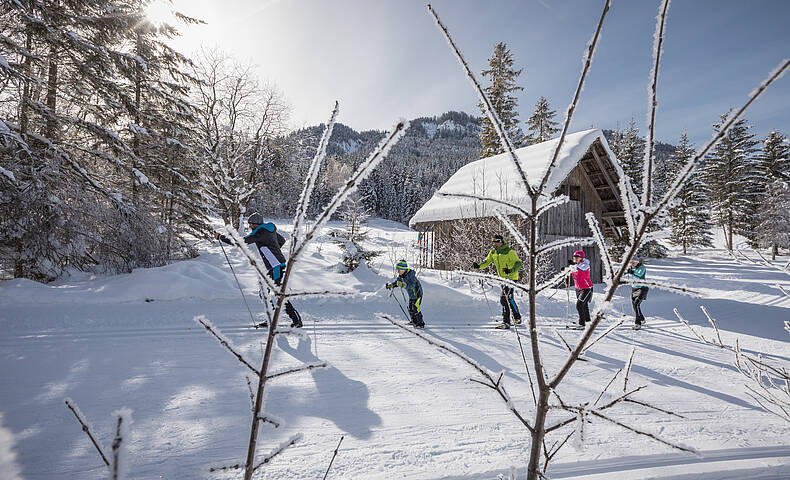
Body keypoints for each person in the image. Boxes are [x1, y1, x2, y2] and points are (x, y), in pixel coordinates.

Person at [215, 212, 303, 328]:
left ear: (255, 224)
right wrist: (271, 250)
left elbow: (241, 242)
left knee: (276, 294)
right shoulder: (269, 229)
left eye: (251, 225)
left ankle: (296, 321)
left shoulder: (260, 232)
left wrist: (221, 237)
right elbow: (281, 240)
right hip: (275, 264)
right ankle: (272, 318)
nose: (250, 227)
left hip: (275, 265)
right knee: (265, 293)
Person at [473, 234, 523, 329]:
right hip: (502, 279)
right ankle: (517, 318)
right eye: (493, 242)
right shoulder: (493, 252)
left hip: (511, 277)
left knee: (504, 299)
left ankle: (506, 322)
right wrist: (479, 266)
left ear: (501, 242)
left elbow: (519, 263)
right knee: (510, 299)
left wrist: (511, 270)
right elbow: (487, 261)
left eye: (496, 242)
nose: (494, 244)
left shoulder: (509, 252)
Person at [385, 259, 425, 328]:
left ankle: (421, 323)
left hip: (418, 294)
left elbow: (411, 286)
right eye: (397, 270)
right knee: (410, 309)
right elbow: (397, 283)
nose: (398, 271)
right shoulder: (401, 276)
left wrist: (403, 285)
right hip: (412, 295)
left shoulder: (411, 275)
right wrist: (391, 285)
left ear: (403, 269)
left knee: (416, 308)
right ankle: (414, 321)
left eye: (399, 270)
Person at [569, 249, 593, 330]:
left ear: (581, 258)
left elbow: (582, 269)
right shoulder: (575, 265)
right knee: (584, 306)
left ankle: (581, 324)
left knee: (579, 305)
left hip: (586, 288)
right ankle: (588, 322)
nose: (575, 258)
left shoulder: (585, 265)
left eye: (577, 257)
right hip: (578, 289)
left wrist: (573, 265)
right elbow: (572, 270)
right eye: (574, 257)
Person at [626, 258, 649, 330]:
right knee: (635, 306)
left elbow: (639, 274)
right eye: (631, 262)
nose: (632, 263)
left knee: (636, 304)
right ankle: (642, 319)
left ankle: (637, 323)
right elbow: (625, 272)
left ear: (637, 262)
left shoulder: (642, 268)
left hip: (642, 288)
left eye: (633, 262)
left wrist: (631, 272)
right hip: (634, 288)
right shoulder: (631, 268)